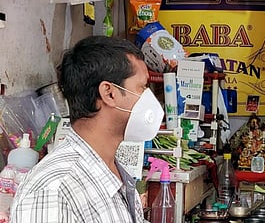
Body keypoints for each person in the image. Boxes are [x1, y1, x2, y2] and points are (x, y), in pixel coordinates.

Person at [10, 36, 164, 222]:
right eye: (142, 87)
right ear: (109, 93)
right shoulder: (55, 191)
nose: (149, 99)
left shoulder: (114, 171)